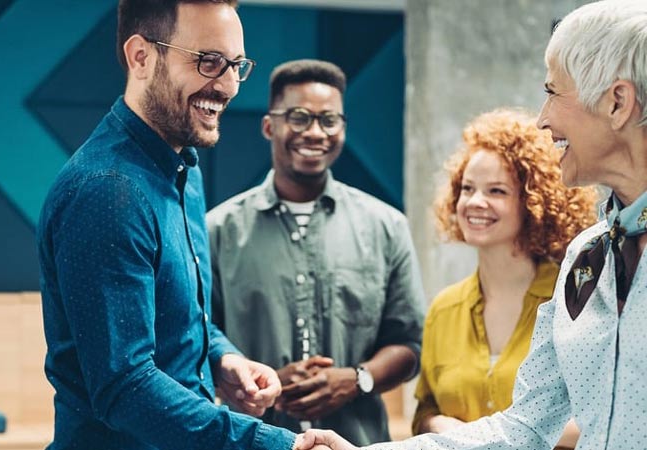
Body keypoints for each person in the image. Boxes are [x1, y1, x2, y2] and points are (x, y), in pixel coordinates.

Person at [295, 0, 647, 449]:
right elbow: (524, 427)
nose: (543, 117)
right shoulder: (587, 257)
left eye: (554, 92)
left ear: (617, 103)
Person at [37, 2, 325, 449]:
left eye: (237, 65)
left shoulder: (183, 167)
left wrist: (223, 359)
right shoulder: (107, 191)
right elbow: (125, 387)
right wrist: (273, 444)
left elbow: (180, 319)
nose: (228, 86)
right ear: (141, 57)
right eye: (208, 62)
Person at [207, 59, 425, 446]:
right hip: (251, 440)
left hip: (357, 441)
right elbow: (200, 336)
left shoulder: (387, 226)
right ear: (269, 126)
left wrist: (357, 379)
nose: (315, 132)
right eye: (299, 117)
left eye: (329, 120)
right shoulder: (217, 230)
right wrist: (262, 378)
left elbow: (409, 344)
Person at [412, 109, 596, 449]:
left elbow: (602, 415)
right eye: (467, 188)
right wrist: (439, 424)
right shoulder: (444, 308)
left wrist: (486, 436)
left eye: (496, 191)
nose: (475, 202)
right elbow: (425, 411)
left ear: (534, 202)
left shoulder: (576, 298)